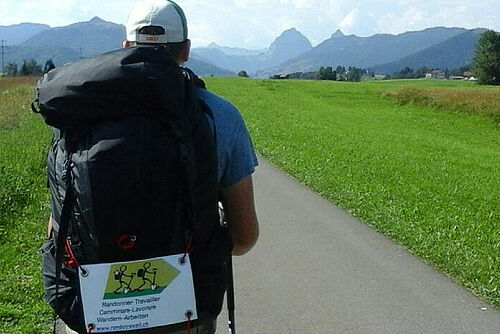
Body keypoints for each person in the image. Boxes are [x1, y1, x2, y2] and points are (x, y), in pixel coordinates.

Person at [50, 0, 258, 333]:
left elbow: (58, 225)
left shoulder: (78, 114)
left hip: (93, 311)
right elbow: (245, 236)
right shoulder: (219, 116)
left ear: (125, 49)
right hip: (186, 314)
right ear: (186, 50)